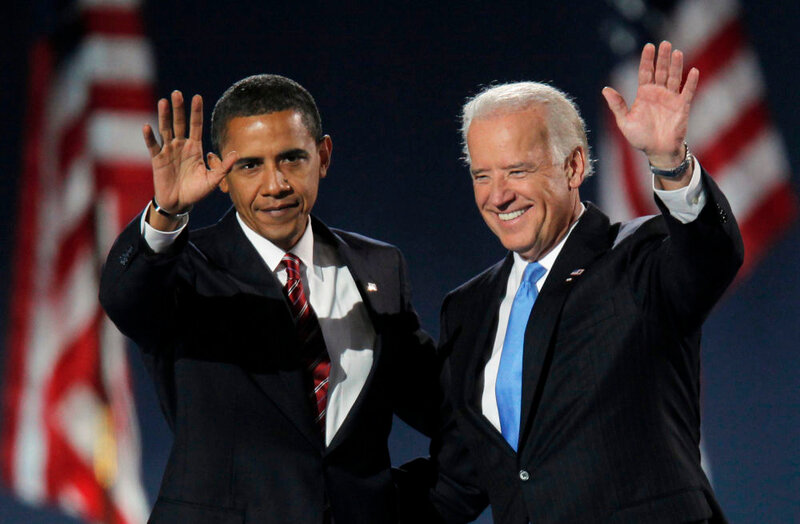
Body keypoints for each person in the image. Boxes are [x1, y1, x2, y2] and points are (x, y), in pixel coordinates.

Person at [423, 41, 743, 523]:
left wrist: (670, 163)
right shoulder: (467, 309)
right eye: (481, 175)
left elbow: (710, 256)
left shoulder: (637, 259)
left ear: (573, 166)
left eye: (517, 170)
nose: (498, 195)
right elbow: (466, 476)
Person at [99, 74, 439, 523]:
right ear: (219, 173)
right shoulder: (186, 270)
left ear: (323, 156)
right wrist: (167, 215)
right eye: (249, 165)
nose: (274, 184)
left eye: (292, 158)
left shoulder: (379, 267)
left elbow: (448, 411)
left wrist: (407, 504)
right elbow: (124, 301)